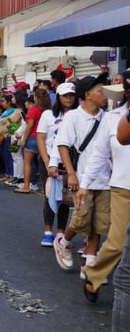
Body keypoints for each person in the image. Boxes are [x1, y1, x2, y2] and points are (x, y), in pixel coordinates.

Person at [52, 73, 110, 273]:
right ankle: (64, 242)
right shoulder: (73, 117)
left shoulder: (107, 117)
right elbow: (63, 146)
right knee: (81, 218)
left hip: (105, 178)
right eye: (100, 91)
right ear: (87, 95)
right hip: (82, 177)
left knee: (99, 223)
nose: (105, 95)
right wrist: (71, 174)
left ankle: (91, 261)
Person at [80, 72, 130, 302]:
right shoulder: (112, 118)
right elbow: (99, 155)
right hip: (122, 188)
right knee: (118, 242)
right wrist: (84, 185)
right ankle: (94, 273)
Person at [37, 83, 76, 247]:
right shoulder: (48, 115)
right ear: (58, 97)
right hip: (50, 163)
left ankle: (61, 232)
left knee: (65, 198)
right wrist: (47, 162)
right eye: (65, 95)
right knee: (49, 195)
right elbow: (41, 138)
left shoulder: (77, 115)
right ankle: (48, 231)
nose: (69, 98)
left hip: (69, 164)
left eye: (72, 95)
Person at [16, 90, 49, 193]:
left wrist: (24, 139)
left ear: (35, 97)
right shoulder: (48, 110)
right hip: (44, 138)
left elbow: (29, 126)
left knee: (28, 163)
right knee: (43, 164)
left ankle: (26, 186)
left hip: (33, 137)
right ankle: (45, 188)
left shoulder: (33, 110)